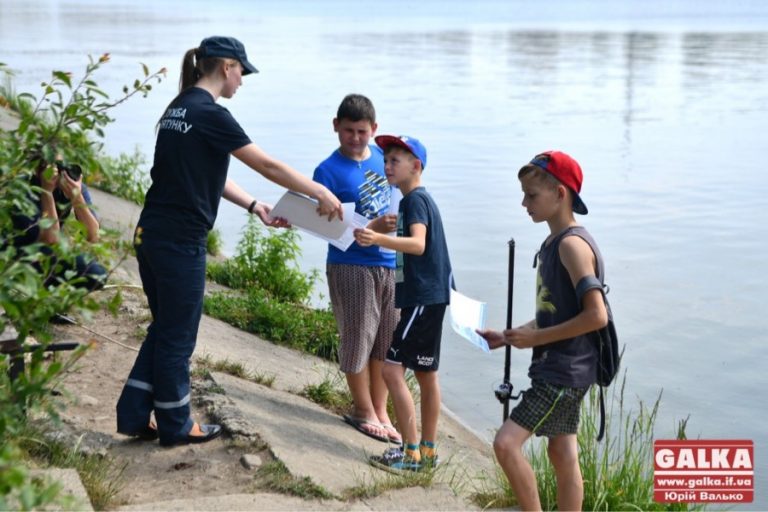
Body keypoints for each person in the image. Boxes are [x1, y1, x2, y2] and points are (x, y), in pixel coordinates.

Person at [115, 36, 343, 447]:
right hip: (180, 240)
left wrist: (255, 204)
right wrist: (319, 193)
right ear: (226, 67)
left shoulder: (178, 109)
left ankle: (133, 414)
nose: (243, 80)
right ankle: (177, 424)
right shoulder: (211, 114)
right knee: (178, 335)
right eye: (242, 71)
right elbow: (268, 164)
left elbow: (207, 174)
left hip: (151, 233)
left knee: (165, 327)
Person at [477, 150, 609, 511]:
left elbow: (596, 316)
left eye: (532, 195)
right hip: (566, 367)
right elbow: (555, 313)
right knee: (562, 451)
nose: (524, 203)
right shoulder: (553, 242)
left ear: (561, 193)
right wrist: (508, 336)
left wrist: (536, 339)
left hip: (563, 372)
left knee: (506, 444)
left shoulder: (571, 246)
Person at [354, 135, 452, 473]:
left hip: (422, 299)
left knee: (391, 370)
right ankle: (427, 451)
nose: (387, 166)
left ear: (416, 166)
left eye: (396, 160)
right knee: (426, 375)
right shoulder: (420, 201)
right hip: (433, 297)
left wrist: (379, 238)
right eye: (386, 159)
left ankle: (410, 453)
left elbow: (420, 245)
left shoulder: (413, 200)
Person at [312, 94, 402, 444]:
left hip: (389, 261)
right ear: (336, 126)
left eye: (362, 131)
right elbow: (324, 226)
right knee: (358, 337)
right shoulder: (327, 171)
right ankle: (362, 410)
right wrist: (376, 226)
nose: (355, 138)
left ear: (374, 130)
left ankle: (380, 410)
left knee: (385, 340)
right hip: (351, 263)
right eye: (348, 130)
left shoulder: (384, 159)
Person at [9, 159, 107, 293]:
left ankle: (49, 303)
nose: (61, 173)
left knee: (97, 274)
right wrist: (47, 192)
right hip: (17, 257)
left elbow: (93, 235)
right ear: (39, 168)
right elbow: (50, 239)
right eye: (55, 167)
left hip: (47, 258)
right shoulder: (23, 186)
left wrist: (76, 197)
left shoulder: (72, 187)